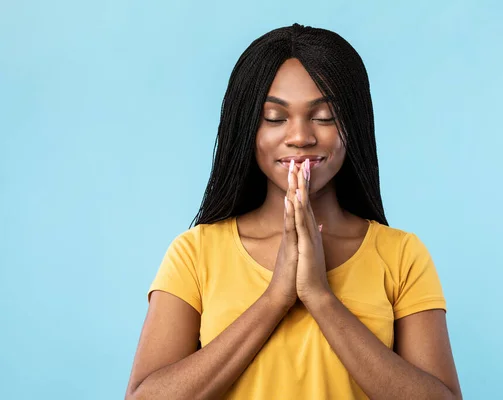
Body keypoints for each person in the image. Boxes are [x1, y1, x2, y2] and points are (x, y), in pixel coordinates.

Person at [125, 23, 462, 400]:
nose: (300, 136)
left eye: (324, 116)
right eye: (274, 117)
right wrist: (275, 299)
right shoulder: (195, 252)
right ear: (246, 129)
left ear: (354, 126)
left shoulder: (402, 256)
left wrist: (320, 297)